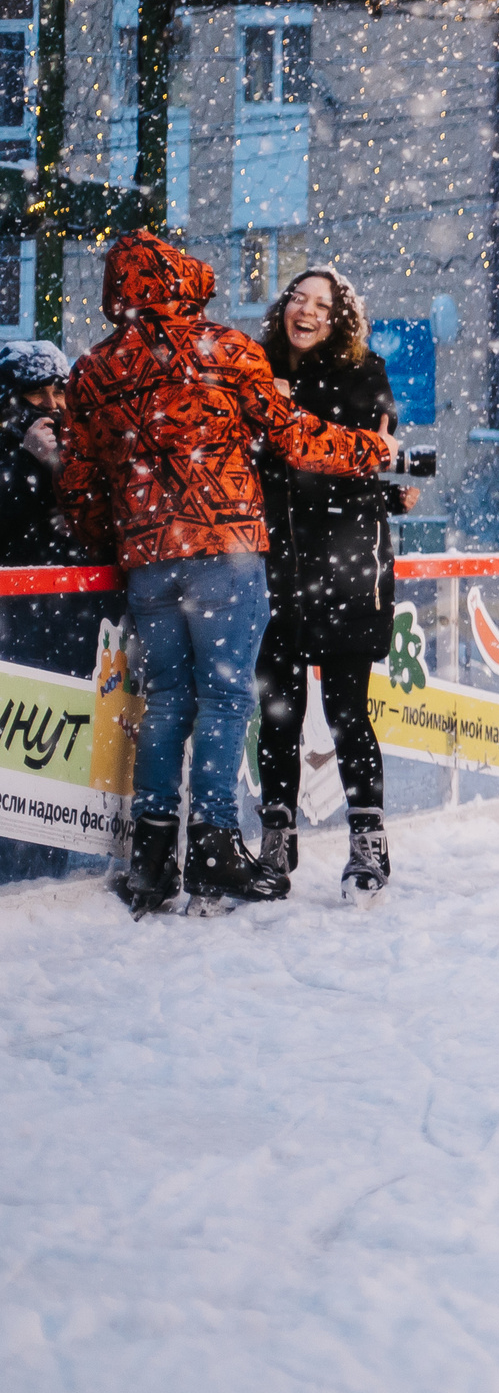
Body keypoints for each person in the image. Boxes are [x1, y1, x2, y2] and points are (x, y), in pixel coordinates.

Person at [61, 231, 392, 917]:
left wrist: (119, 535)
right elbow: (296, 435)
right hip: (225, 549)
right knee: (223, 699)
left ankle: (152, 861)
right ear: (180, 279)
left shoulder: (92, 371)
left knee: (167, 700)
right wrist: (374, 448)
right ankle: (212, 846)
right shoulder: (222, 349)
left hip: (148, 560)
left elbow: (81, 483)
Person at [252, 268, 418, 907]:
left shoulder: (361, 374)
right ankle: (277, 837)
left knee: (349, 711)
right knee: (278, 716)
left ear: (339, 317)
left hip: (349, 568)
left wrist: (293, 419)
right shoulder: (255, 366)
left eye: (323, 304)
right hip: (276, 569)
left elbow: (370, 453)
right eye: (299, 298)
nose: (307, 311)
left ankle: (368, 842)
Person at [0, 340, 120, 673]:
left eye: (59, 392)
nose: (51, 404)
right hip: (17, 613)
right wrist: (25, 461)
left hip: (82, 609)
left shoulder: (86, 445)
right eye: (37, 394)